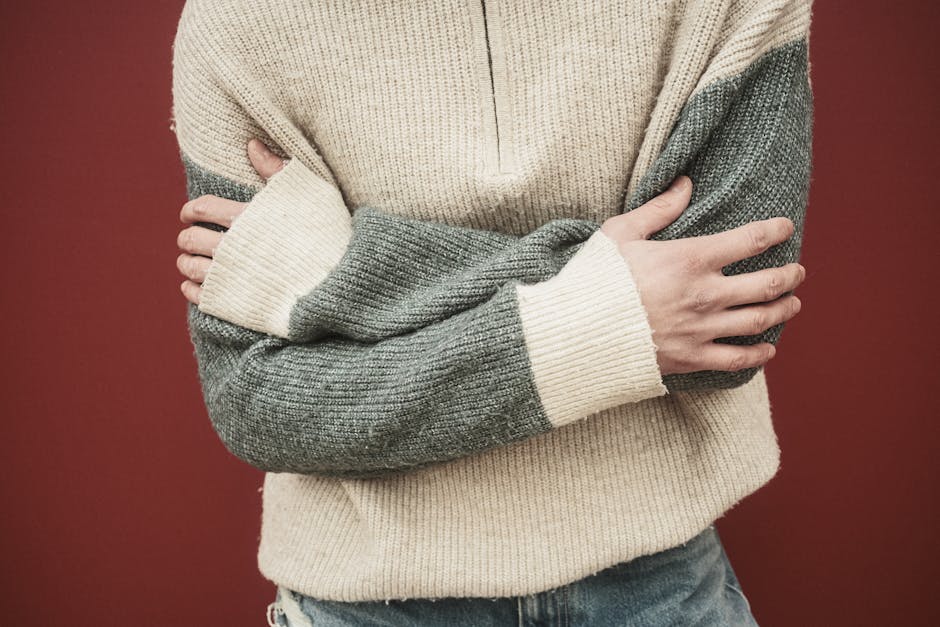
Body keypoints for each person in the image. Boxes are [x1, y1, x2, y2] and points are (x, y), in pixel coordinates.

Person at [171, 0, 814, 624]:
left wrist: (350, 266)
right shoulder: (238, 18)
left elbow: (728, 324)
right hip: (364, 606)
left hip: (661, 589)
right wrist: (617, 314)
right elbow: (257, 404)